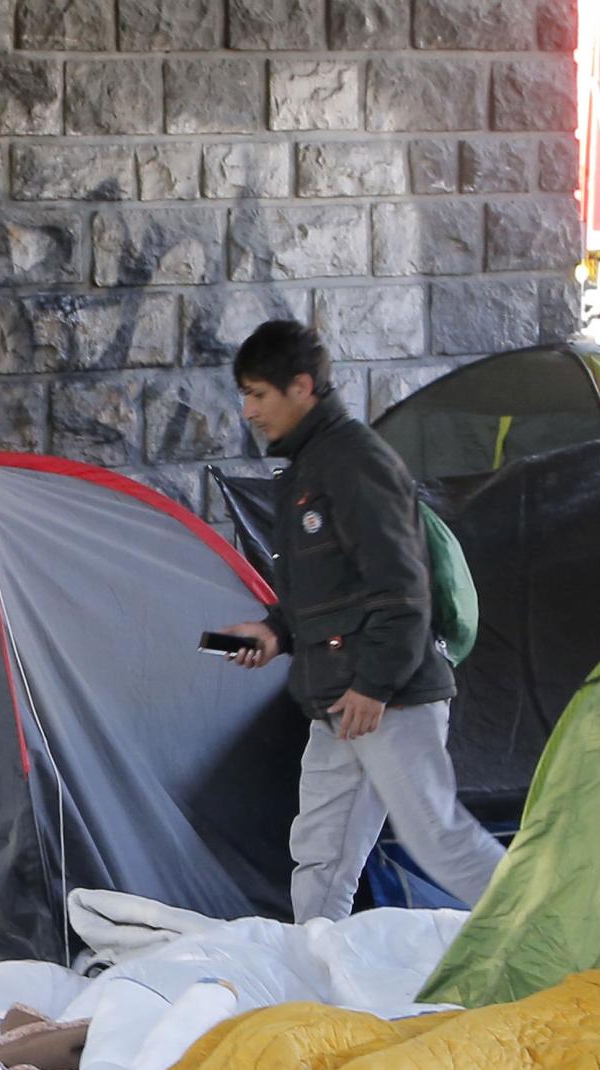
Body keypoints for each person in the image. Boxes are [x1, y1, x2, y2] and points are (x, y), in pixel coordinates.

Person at [216, 320, 507, 924]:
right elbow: (325, 588)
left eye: (258, 394)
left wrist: (374, 684)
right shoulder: (306, 466)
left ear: (301, 387)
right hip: (339, 696)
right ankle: (317, 986)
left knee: (439, 839)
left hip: (385, 695)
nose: (247, 411)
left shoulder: (353, 461)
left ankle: (554, 941)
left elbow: (403, 586)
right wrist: (276, 631)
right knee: (320, 852)